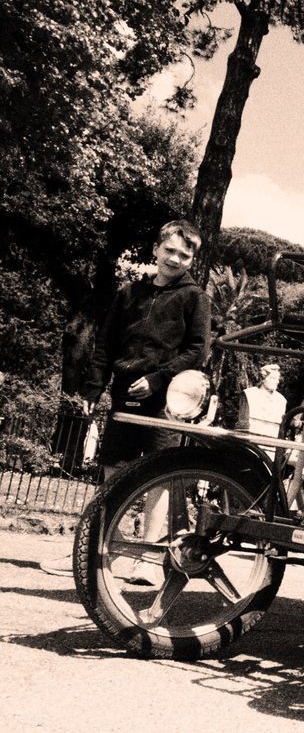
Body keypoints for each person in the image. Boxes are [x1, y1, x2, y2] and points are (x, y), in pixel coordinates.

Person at [41, 220, 212, 578]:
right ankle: (109, 551)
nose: (176, 258)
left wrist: (157, 379)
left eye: (185, 254)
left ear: (192, 259)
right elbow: (105, 343)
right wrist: (94, 388)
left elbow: (197, 351)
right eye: (170, 250)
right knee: (111, 473)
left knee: (158, 477)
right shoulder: (128, 292)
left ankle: (148, 560)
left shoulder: (195, 296)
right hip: (123, 395)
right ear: (156, 249)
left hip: (166, 399)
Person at [235, 363, 287, 437]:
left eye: (277, 379)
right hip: (251, 442)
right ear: (263, 379)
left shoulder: (281, 400)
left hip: (273, 441)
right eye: (273, 378)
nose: (277, 381)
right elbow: (242, 424)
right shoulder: (250, 394)